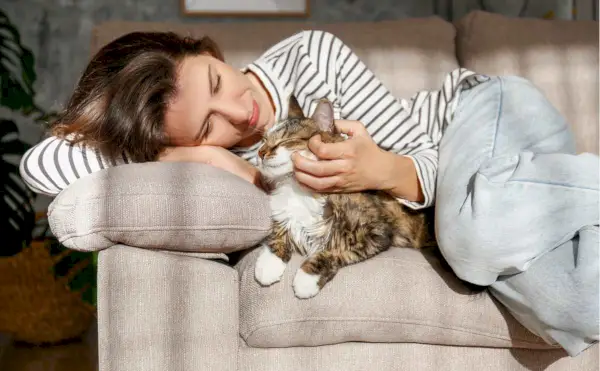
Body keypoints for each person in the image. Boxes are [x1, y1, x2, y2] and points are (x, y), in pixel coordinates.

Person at [19, 30, 599, 357]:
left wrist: (378, 168)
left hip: (479, 120)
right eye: (207, 126)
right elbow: (41, 166)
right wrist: (190, 154)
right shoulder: (228, 154)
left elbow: (427, 158)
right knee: (570, 307)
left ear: (210, 52)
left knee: (474, 238)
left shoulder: (310, 59)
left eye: (218, 82)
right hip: (524, 189)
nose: (239, 112)